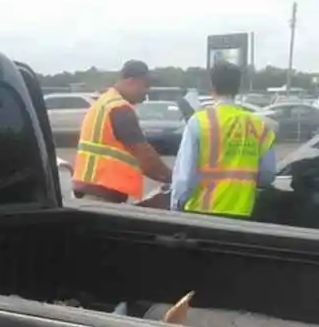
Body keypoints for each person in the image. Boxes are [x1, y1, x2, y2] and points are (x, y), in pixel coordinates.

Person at [170, 60, 277, 216]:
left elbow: (184, 177)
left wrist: (176, 205)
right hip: (242, 211)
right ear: (238, 88)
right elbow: (267, 174)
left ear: (211, 88)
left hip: (201, 211)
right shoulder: (259, 126)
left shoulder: (199, 121)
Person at [70, 60, 172, 204]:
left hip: (92, 191)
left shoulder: (105, 102)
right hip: (101, 194)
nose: (147, 92)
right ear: (131, 81)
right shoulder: (120, 109)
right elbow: (144, 155)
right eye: (145, 85)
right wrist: (172, 178)